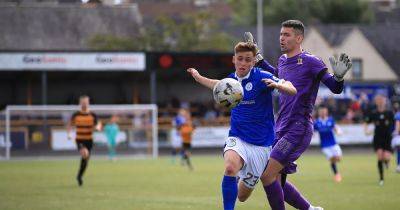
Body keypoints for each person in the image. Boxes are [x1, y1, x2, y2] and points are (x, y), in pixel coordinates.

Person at [248, 20, 352, 210]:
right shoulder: (282, 60)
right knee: (276, 180)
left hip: (298, 127)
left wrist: (339, 78)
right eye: (281, 34)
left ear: (299, 38)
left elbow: (335, 88)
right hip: (280, 127)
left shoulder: (312, 62)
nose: (281, 38)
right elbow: (278, 76)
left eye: (286, 35)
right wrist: (259, 59)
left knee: (266, 175)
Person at [187, 41, 296, 210]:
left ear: (253, 62)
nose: (243, 63)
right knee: (230, 168)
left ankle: (244, 177)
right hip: (237, 137)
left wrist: (278, 85)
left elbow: (291, 88)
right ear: (234, 59)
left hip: (261, 146)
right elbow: (217, 84)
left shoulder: (261, 76)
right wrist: (198, 77)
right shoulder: (231, 80)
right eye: (240, 59)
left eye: (247, 60)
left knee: (242, 196)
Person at [67, 95, 102, 186]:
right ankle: (79, 175)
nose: (85, 104)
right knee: (85, 153)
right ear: (80, 103)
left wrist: (98, 127)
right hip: (80, 139)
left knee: (85, 160)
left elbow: (98, 124)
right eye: (83, 102)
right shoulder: (76, 115)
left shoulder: (92, 115)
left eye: (86, 102)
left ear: (88, 103)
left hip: (89, 140)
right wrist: (69, 134)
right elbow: (70, 125)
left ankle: (79, 176)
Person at [364, 95, 395, 185]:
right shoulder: (374, 113)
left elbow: (395, 123)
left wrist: (395, 131)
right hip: (378, 137)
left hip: (387, 137)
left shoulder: (389, 113)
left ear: (385, 102)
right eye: (379, 100)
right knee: (380, 156)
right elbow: (366, 122)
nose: (380, 102)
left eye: (382, 100)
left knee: (386, 157)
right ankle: (381, 179)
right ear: (376, 102)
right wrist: (366, 130)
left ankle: (387, 162)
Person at [314, 106, 343, 182]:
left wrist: (338, 131)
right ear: (319, 112)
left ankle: (336, 172)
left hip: (333, 144)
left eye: (324, 111)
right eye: (321, 111)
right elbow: (312, 131)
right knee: (332, 159)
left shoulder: (330, 120)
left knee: (338, 158)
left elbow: (335, 127)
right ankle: (337, 174)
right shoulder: (317, 122)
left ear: (326, 112)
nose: (323, 113)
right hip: (324, 146)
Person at [392, 103, 400, 172]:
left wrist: (396, 132)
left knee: (398, 150)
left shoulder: (397, 115)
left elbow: (397, 124)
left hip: (399, 135)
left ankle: (398, 166)